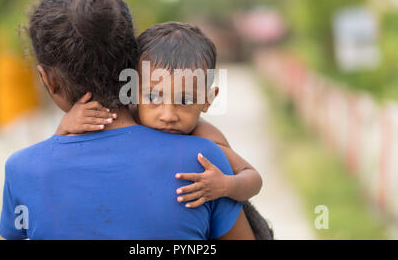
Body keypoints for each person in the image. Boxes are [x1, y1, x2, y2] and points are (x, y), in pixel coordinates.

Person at [0, 0, 253, 240]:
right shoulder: (203, 162)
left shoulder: (23, 171)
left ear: (48, 80)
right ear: (131, 62)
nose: (168, 114)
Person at [57, 21, 274, 239]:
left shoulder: (204, 137)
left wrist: (226, 185)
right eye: (152, 97)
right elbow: (58, 151)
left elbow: (253, 178)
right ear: (132, 91)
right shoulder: (121, 118)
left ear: (208, 100)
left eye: (185, 100)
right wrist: (66, 124)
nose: (168, 115)